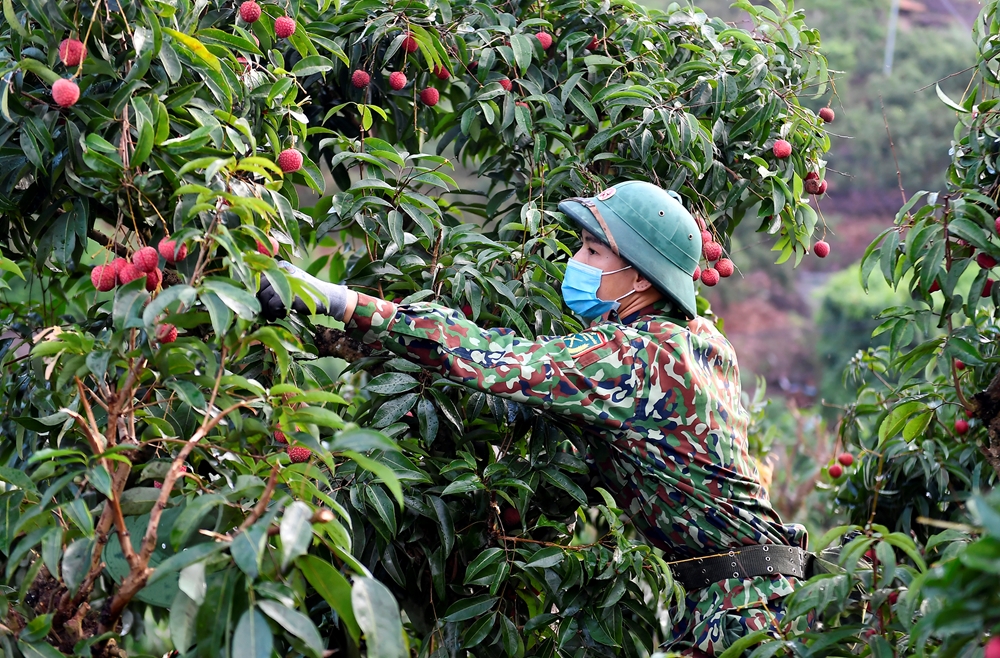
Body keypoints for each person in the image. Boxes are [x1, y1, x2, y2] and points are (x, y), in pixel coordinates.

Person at [257, 180, 809, 656]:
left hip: (742, 610)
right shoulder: (695, 342)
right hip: (745, 598)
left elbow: (490, 358)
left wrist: (336, 299)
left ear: (640, 279)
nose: (579, 261)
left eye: (593, 252)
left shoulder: (635, 359)